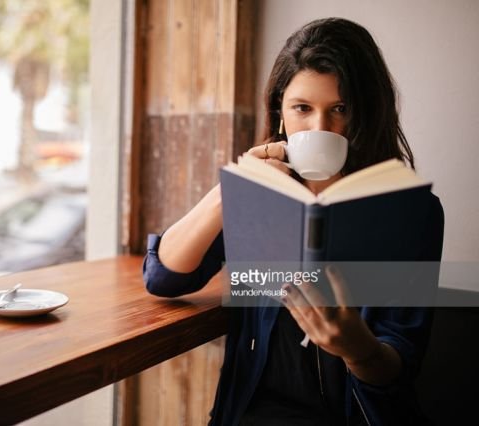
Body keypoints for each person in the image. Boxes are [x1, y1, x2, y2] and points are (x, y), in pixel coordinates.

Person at [142, 17, 444, 426]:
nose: (321, 128)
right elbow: (165, 277)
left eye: (340, 109)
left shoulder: (412, 213)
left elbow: (399, 364)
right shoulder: (266, 194)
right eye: (303, 108)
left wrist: (359, 350)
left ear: (365, 112)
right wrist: (230, 192)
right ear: (281, 113)